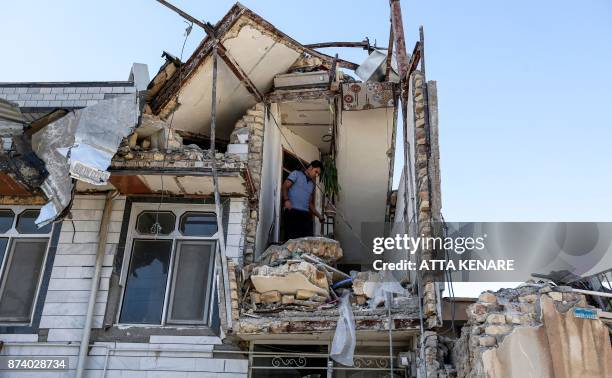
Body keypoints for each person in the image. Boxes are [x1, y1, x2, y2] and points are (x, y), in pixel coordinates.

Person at [282, 160, 325, 240]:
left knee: (306, 240)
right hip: (292, 211)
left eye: (318, 174)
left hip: (305, 215)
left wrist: (319, 215)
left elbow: (309, 203)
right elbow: (285, 186)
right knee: (291, 240)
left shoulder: (312, 185)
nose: (316, 175)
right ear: (311, 167)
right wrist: (286, 200)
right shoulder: (296, 174)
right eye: (316, 172)